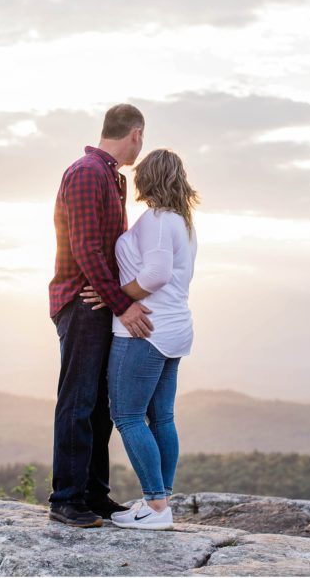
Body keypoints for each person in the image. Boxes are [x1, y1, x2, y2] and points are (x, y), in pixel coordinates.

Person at [47, 103, 155, 528]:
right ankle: (66, 499)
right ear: (135, 134)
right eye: (140, 140)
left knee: (97, 406)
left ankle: (94, 494)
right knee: (77, 400)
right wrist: (123, 304)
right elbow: (87, 248)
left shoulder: (110, 176)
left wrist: (114, 295)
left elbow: (108, 248)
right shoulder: (88, 172)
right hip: (81, 302)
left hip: (98, 300)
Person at [80, 148, 199, 531]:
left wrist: (115, 295)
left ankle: (157, 506)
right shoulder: (181, 221)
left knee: (128, 416)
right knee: (161, 416)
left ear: (148, 179)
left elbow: (156, 275)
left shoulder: (158, 220)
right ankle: (160, 499)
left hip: (144, 330)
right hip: (173, 327)